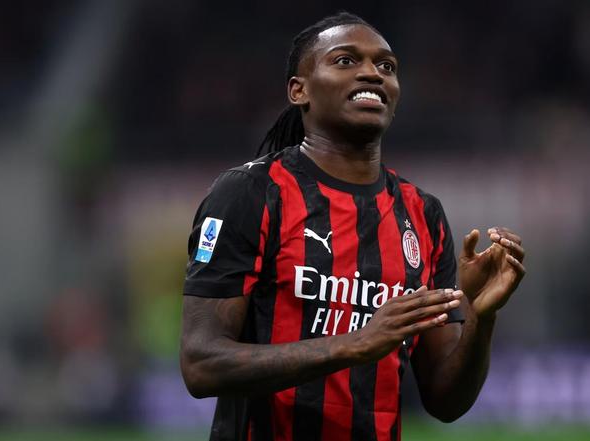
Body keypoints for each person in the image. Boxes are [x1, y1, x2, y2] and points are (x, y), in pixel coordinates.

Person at [180, 12, 525, 441]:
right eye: (346, 60)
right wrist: (357, 342)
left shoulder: (423, 214)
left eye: (387, 66)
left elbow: (445, 401)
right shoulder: (249, 193)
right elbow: (201, 364)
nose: (372, 73)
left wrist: (480, 318)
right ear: (299, 90)